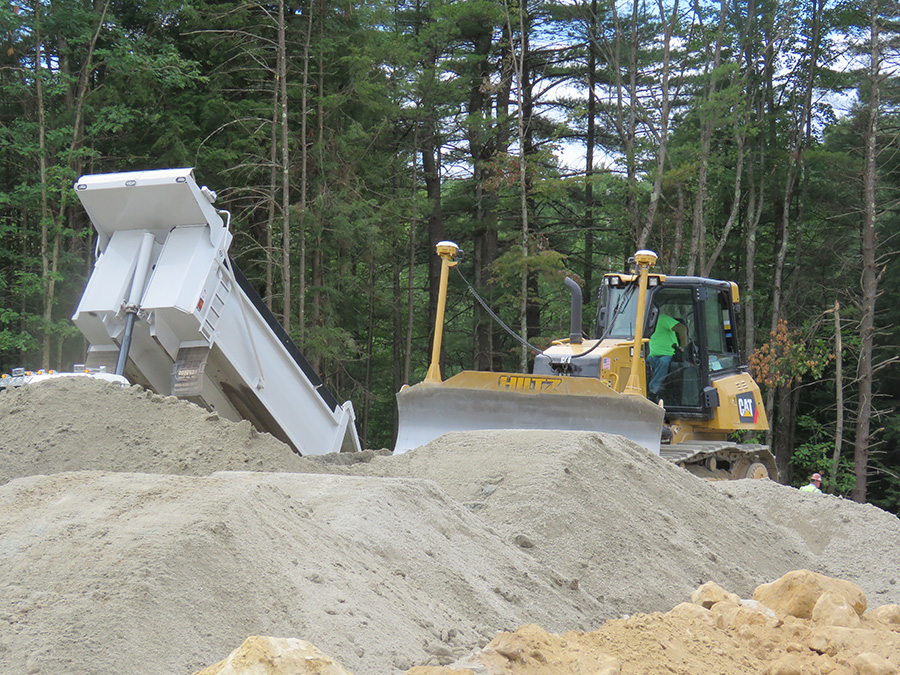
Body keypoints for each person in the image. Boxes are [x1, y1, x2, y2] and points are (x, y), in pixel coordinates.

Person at [647, 311, 687, 400]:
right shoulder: (645, 322)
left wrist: (683, 347)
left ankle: (652, 391)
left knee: (663, 363)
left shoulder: (663, 319)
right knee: (643, 362)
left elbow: (682, 328)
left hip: (669, 354)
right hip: (653, 355)